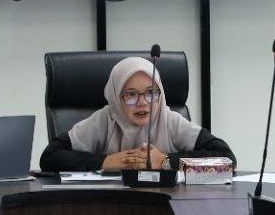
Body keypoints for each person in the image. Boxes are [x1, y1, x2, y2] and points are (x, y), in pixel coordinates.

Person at [38, 56, 234, 172]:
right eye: (130, 95)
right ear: (116, 98)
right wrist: (107, 161)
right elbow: (50, 157)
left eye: (151, 93)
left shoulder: (170, 121)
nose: (142, 103)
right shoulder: (106, 119)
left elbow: (227, 158)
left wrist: (165, 161)